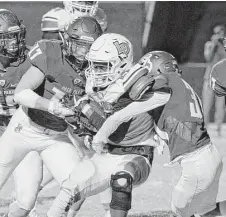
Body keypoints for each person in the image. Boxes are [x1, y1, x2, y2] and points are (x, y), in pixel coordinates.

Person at [49, 48, 223, 217]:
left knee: (179, 209)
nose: (144, 75)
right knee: (208, 210)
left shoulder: (162, 87)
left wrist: (98, 138)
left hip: (196, 163)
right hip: (210, 155)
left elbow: (120, 116)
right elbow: (175, 120)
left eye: (145, 70)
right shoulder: (184, 87)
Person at [47, 33, 160, 217]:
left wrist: (86, 109)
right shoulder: (95, 86)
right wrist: (83, 128)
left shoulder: (136, 84)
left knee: (121, 180)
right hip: (107, 153)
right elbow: (94, 128)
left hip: (136, 153)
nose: (95, 72)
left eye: (102, 66)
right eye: (93, 65)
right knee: (70, 186)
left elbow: (113, 126)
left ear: (121, 64)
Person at [0, 16, 102, 217]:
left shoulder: (97, 70)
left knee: (78, 188)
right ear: (67, 40)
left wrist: (91, 133)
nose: (84, 52)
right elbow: (21, 93)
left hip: (55, 137)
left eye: (89, 47)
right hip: (24, 129)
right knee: (25, 200)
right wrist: (55, 107)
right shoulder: (51, 53)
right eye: (80, 45)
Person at [202, 24, 226, 136]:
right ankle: (204, 129)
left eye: (220, 33)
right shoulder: (209, 45)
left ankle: (218, 130)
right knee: (206, 105)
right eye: (216, 33)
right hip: (209, 79)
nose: (218, 35)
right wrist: (214, 46)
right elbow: (208, 58)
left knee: (220, 106)